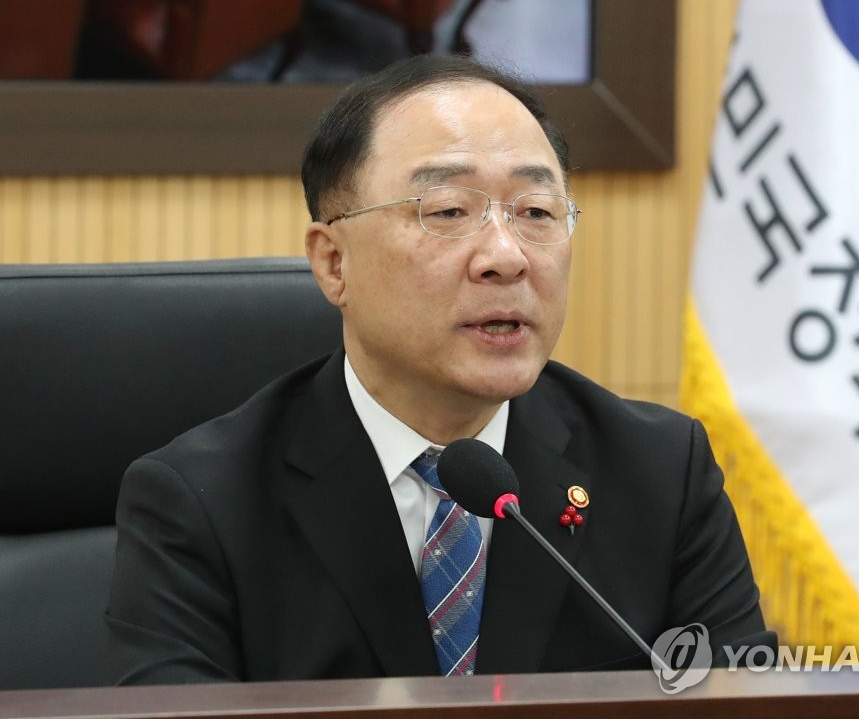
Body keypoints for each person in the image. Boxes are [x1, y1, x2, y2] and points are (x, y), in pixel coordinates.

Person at [105, 54, 773, 684]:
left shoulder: (661, 473)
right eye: (449, 211)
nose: (506, 257)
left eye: (536, 212)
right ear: (334, 262)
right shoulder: (201, 503)